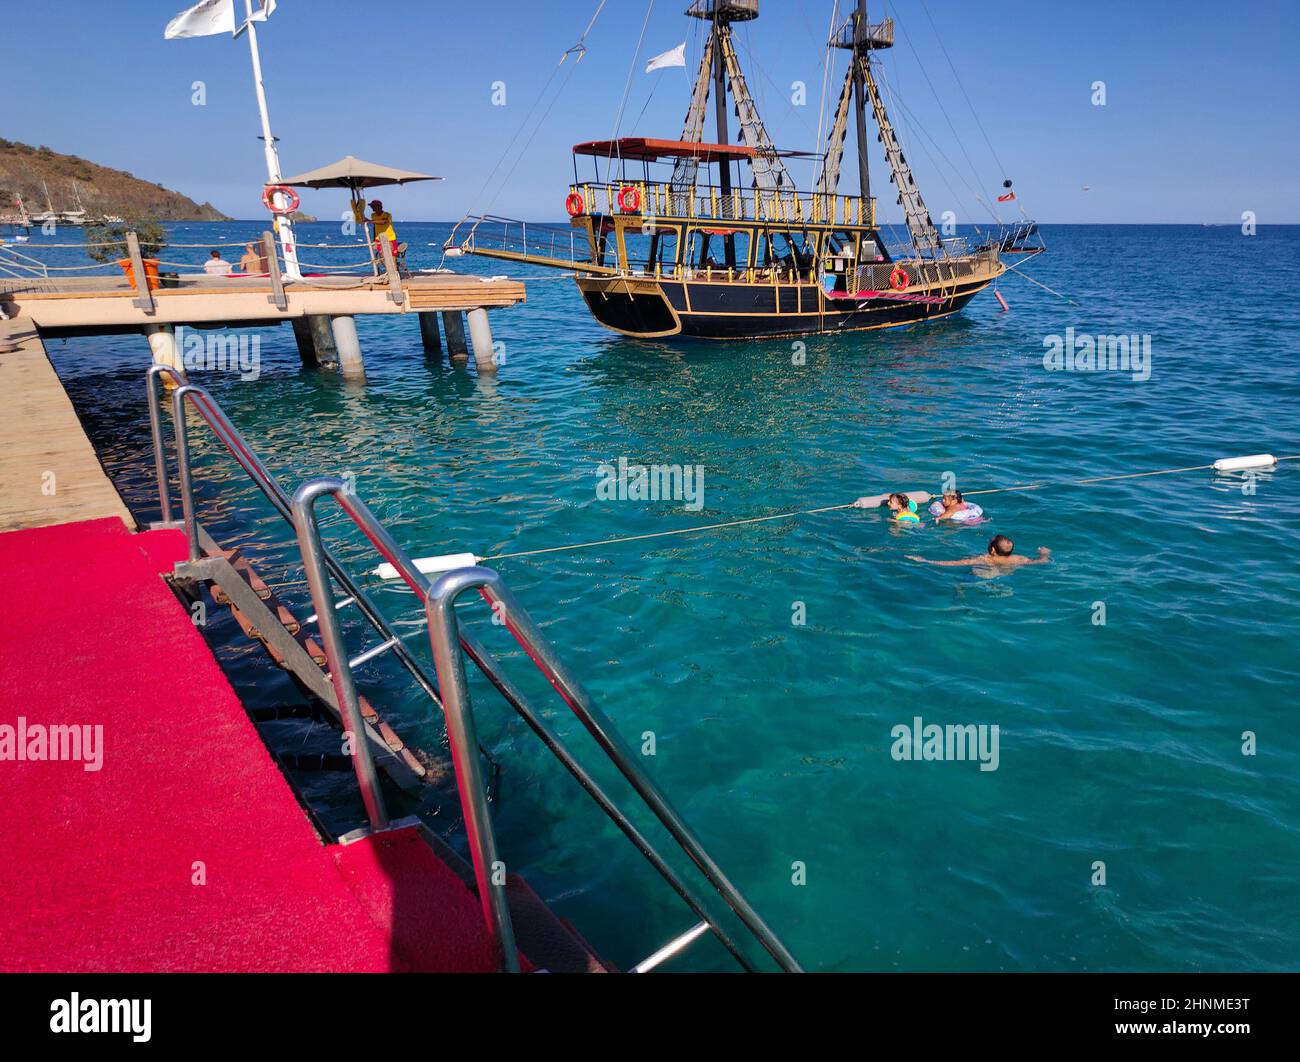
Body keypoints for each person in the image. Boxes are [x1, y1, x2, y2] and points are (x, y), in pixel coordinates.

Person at [907, 535, 1051, 569]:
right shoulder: (1019, 559)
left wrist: (925, 560)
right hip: (1005, 574)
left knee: (960, 584)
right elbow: (1041, 561)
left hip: (985, 574)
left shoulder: (985, 559)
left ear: (993, 550)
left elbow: (953, 563)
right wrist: (1044, 553)